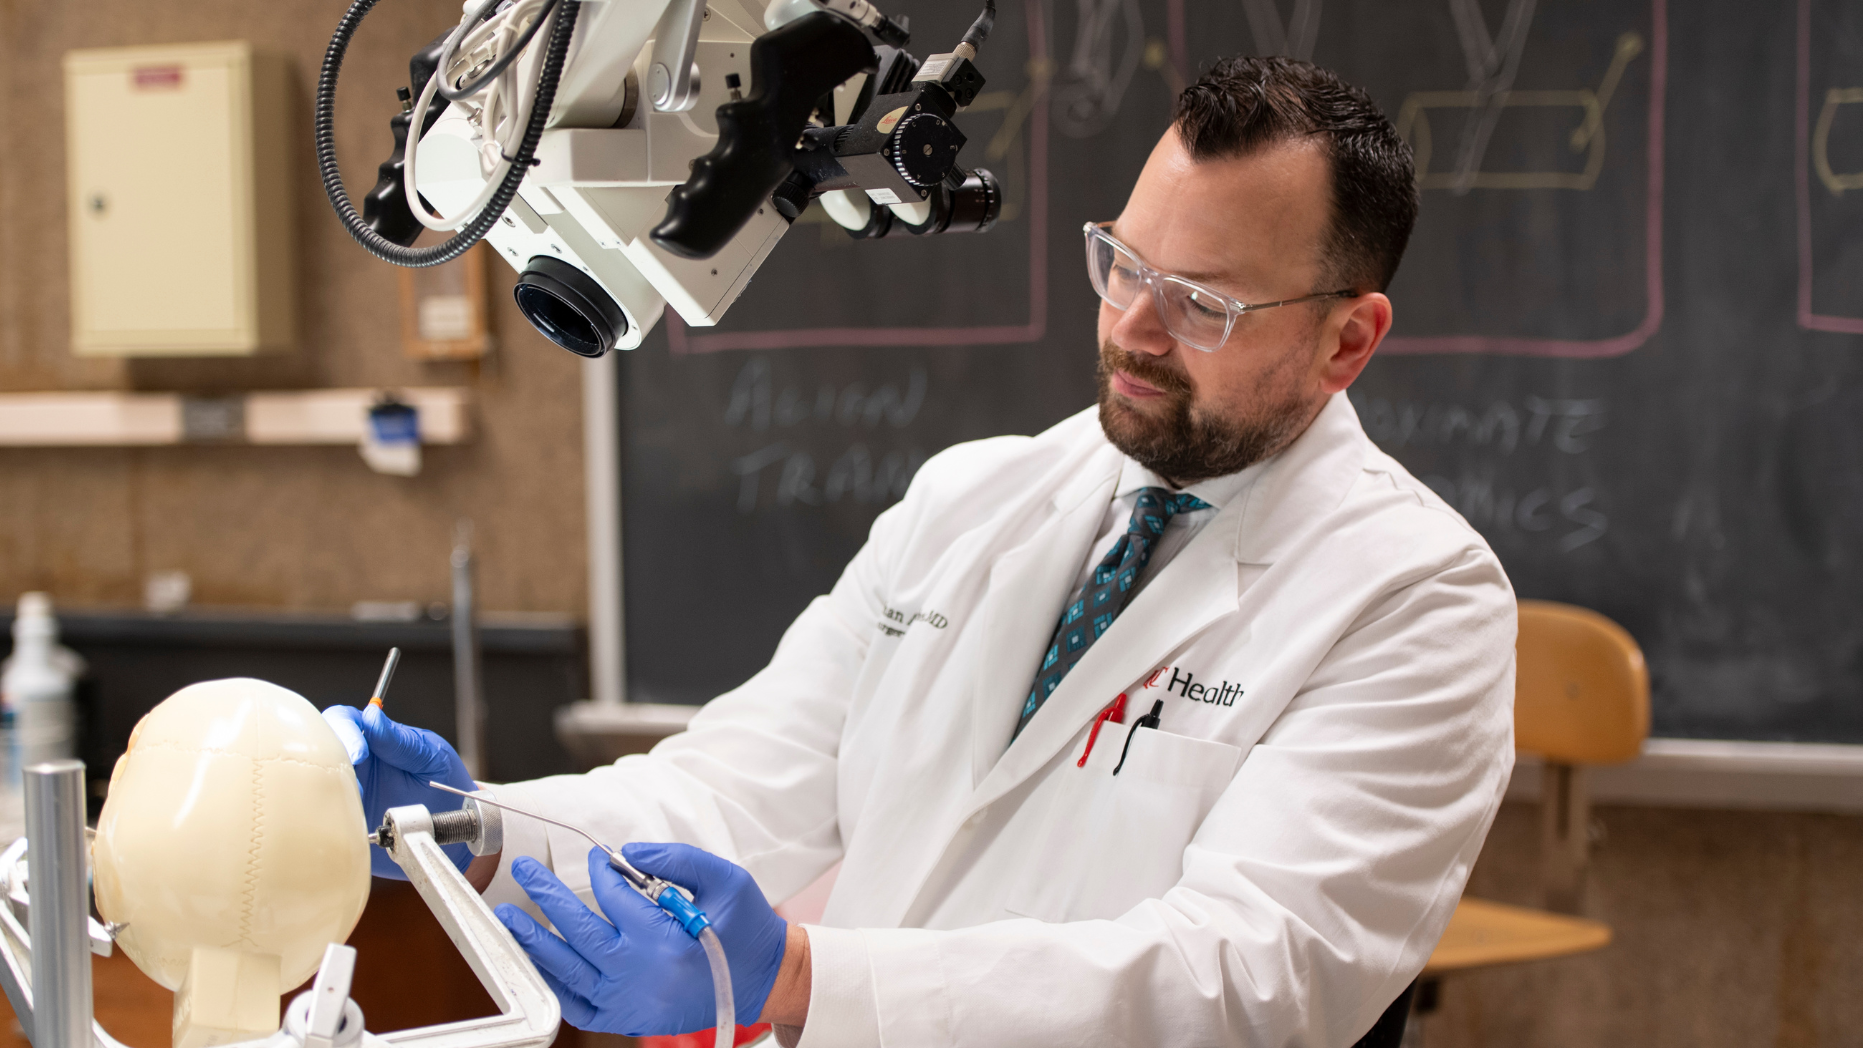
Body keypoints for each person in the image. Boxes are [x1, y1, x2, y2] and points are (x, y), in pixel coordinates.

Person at [327, 56, 1516, 1048]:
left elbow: (1248, 980)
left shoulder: (1415, 596)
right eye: (1123, 265)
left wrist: (804, 978)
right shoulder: (971, 497)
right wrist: (459, 826)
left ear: (1347, 341)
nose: (1134, 329)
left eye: (1203, 304)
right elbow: (732, 788)